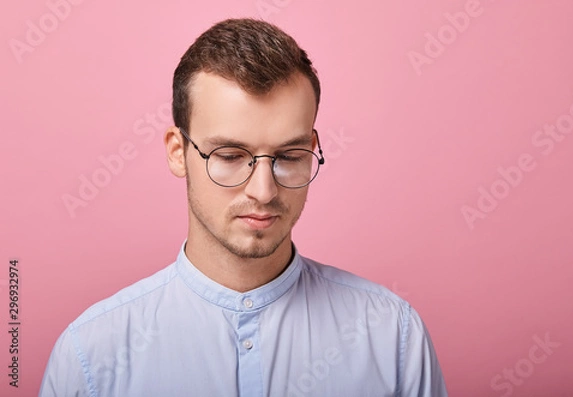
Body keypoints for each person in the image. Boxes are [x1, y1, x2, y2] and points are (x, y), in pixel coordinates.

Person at [39, 18, 447, 397]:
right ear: (178, 153)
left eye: (289, 155)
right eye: (231, 155)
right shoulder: (89, 359)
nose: (264, 191)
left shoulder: (393, 337)